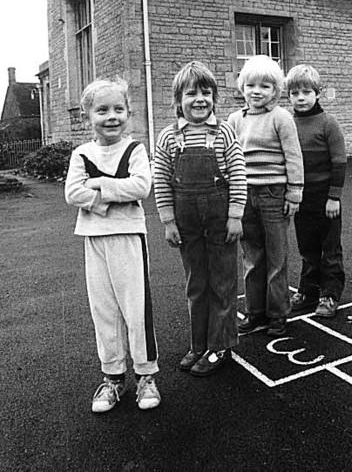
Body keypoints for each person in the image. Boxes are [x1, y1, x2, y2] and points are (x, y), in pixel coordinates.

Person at [64, 78, 161, 413]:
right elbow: (72, 193)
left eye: (118, 109)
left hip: (128, 237)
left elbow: (141, 187)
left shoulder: (135, 150)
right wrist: (108, 200)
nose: (111, 117)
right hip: (94, 239)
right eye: (102, 110)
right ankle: (113, 378)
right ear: (87, 116)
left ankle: (146, 375)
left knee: (135, 308)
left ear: (129, 113)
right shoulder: (81, 154)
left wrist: (100, 185)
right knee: (104, 311)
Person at [154, 62, 247, 376]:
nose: (199, 99)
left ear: (214, 97)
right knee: (196, 284)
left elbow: (237, 175)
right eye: (191, 93)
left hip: (221, 219)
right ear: (178, 99)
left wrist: (235, 216)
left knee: (222, 282)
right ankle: (199, 343)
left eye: (206, 92)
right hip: (186, 221)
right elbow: (162, 181)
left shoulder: (224, 133)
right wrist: (168, 221)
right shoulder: (168, 138)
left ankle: (220, 346)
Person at [228, 55, 303, 337]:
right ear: (242, 87)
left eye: (265, 86)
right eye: (251, 85)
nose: (257, 91)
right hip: (244, 193)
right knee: (252, 255)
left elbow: (293, 157)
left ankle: (278, 313)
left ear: (276, 90)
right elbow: (230, 159)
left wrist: (294, 193)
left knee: (276, 257)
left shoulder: (281, 117)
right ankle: (255, 310)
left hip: (274, 194)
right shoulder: (235, 119)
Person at [286, 65, 347, 318]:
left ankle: (329, 294)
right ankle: (308, 291)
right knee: (307, 248)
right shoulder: (287, 123)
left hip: (325, 198)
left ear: (317, 93)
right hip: (302, 198)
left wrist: (334, 197)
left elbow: (340, 161)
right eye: (294, 93)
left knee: (329, 248)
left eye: (306, 92)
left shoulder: (328, 123)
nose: (300, 98)